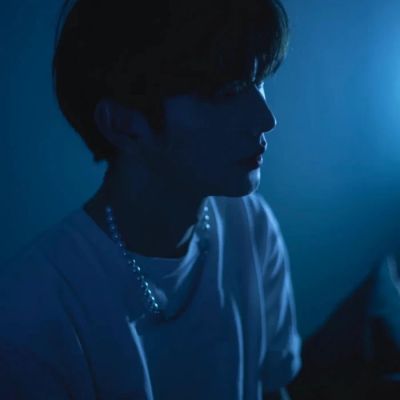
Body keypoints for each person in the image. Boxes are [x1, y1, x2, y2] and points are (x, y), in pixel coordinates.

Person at [0, 0, 301, 398]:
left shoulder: (252, 227)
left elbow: (272, 387)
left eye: (258, 80)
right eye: (227, 92)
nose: (266, 119)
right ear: (123, 125)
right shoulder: (33, 309)